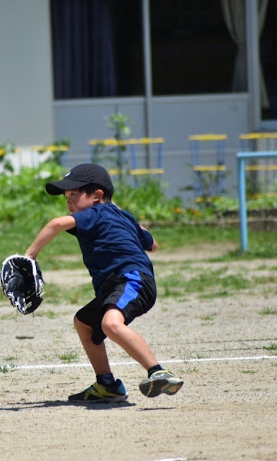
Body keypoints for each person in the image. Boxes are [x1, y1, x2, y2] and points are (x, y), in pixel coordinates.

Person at [24, 163, 183, 402]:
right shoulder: (119, 215)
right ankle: (106, 385)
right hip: (120, 283)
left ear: (97, 196)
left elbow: (56, 224)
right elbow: (153, 244)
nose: (69, 202)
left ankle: (158, 371)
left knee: (110, 323)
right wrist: (125, 217)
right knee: (85, 323)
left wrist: (29, 257)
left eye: (74, 195)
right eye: (66, 197)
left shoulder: (95, 213)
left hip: (131, 279)